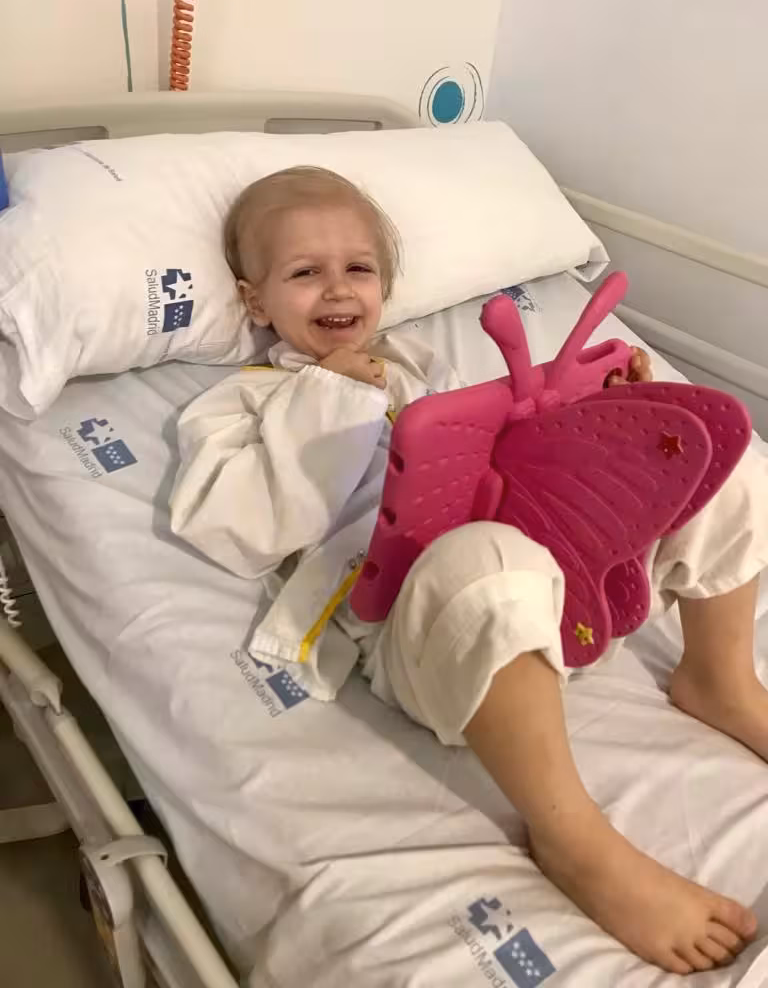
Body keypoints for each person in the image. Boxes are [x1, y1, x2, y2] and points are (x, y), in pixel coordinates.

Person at [170, 166, 767, 974]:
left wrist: (610, 413)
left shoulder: (421, 368)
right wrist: (328, 400)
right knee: (484, 561)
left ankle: (722, 681)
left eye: (359, 268)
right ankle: (574, 840)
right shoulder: (238, 405)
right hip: (415, 621)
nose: (338, 289)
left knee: (723, 466)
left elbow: (515, 454)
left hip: (553, 565)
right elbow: (241, 530)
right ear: (254, 302)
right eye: (305, 272)